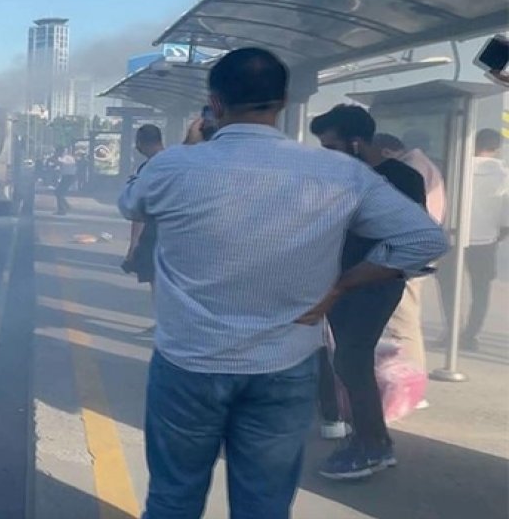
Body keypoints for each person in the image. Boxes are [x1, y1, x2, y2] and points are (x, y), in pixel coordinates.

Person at [119, 49, 445, 517]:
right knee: (265, 504)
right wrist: (346, 282)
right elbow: (423, 238)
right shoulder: (341, 173)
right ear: (285, 101)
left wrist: (191, 146)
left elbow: (131, 204)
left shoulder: (174, 167)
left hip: (188, 363)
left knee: (174, 496)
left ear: (214, 102)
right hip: (284, 365)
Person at [309, 104, 427, 479]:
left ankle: (371, 446)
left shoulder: (400, 178)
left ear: (356, 144)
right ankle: (375, 441)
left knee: (351, 360)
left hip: (374, 283)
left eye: (332, 147)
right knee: (348, 361)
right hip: (341, 283)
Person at [375, 132, 445, 375]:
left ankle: (411, 384)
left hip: (407, 253)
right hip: (418, 250)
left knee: (402, 322)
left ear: (386, 152)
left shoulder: (410, 169)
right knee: (405, 319)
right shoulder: (423, 165)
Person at [448, 128, 507, 351]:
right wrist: (499, 234)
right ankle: (470, 335)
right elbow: (506, 215)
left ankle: (451, 329)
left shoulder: (458, 166)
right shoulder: (504, 174)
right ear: (498, 148)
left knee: (449, 286)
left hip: (454, 237)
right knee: (480, 290)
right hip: (485, 241)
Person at [122, 125, 164, 338]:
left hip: (155, 231)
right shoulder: (175, 162)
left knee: (156, 280)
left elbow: (136, 210)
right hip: (177, 231)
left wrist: (133, 245)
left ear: (141, 143)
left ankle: (162, 325)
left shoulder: (148, 168)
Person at [53, 147, 76, 216]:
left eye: (57, 152)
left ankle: (62, 209)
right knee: (59, 192)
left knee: (58, 192)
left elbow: (60, 163)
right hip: (68, 177)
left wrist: (56, 160)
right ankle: (66, 206)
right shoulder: (69, 157)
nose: (56, 153)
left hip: (67, 177)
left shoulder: (64, 158)